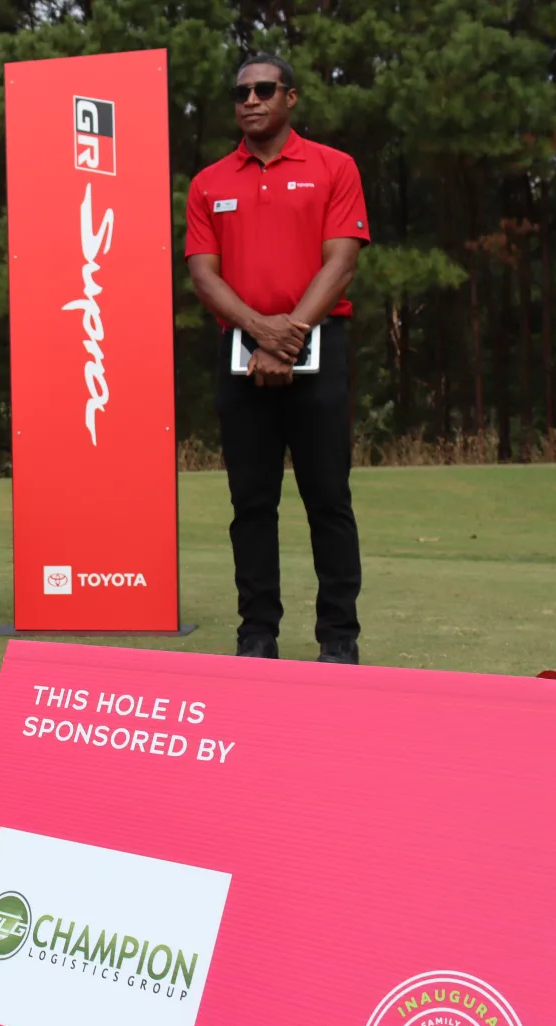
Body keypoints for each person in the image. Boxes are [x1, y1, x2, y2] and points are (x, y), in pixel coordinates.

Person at [184, 53, 370, 664]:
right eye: (241, 93)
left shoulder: (334, 168)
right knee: (252, 504)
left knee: (328, 499)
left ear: (291, 98)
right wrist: (263, 332)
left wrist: (288, 334)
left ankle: (339, 638)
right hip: (240, 355)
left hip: (319, 349)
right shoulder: (209, 182)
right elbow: (203, 277)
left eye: (265, 89)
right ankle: (256, 635)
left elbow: (340, 261)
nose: (251, 100)